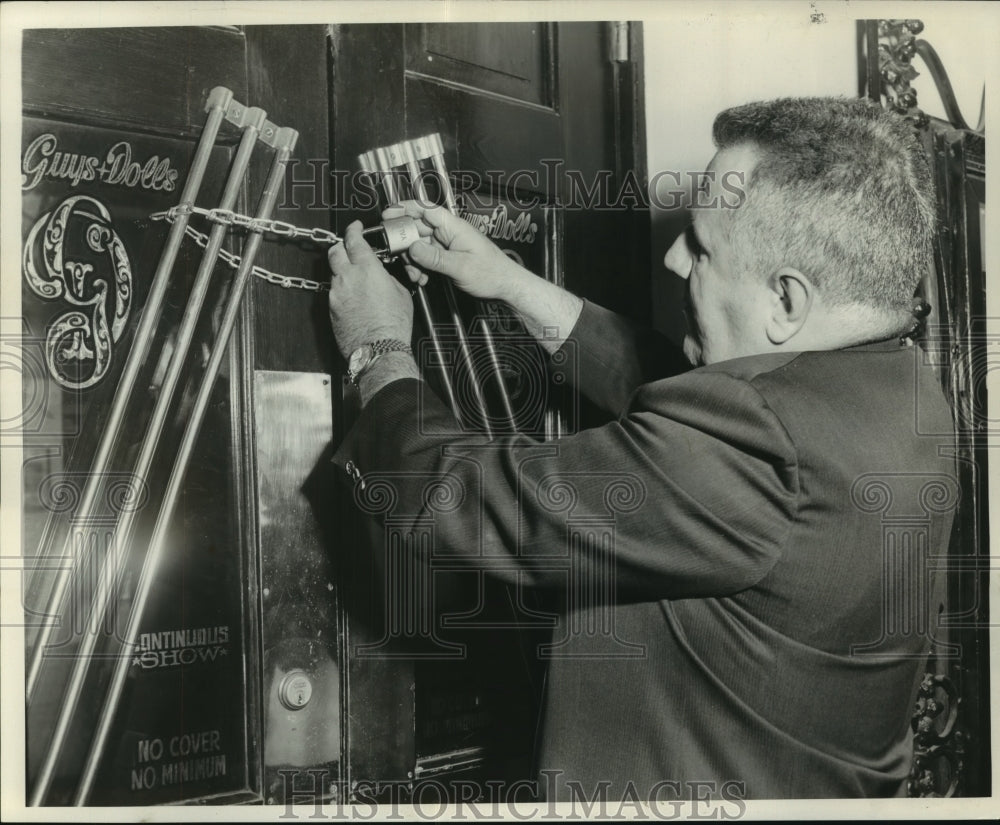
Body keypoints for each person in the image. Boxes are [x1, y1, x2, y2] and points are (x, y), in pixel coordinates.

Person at [325, 97, 957, 799]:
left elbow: (463, 502)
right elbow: (687, 399)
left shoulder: (756, 445)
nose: (674, 256)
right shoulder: (903, 389)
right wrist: (511, 283)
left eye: (704, 247)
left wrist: (376, 349)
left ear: (786, 301)